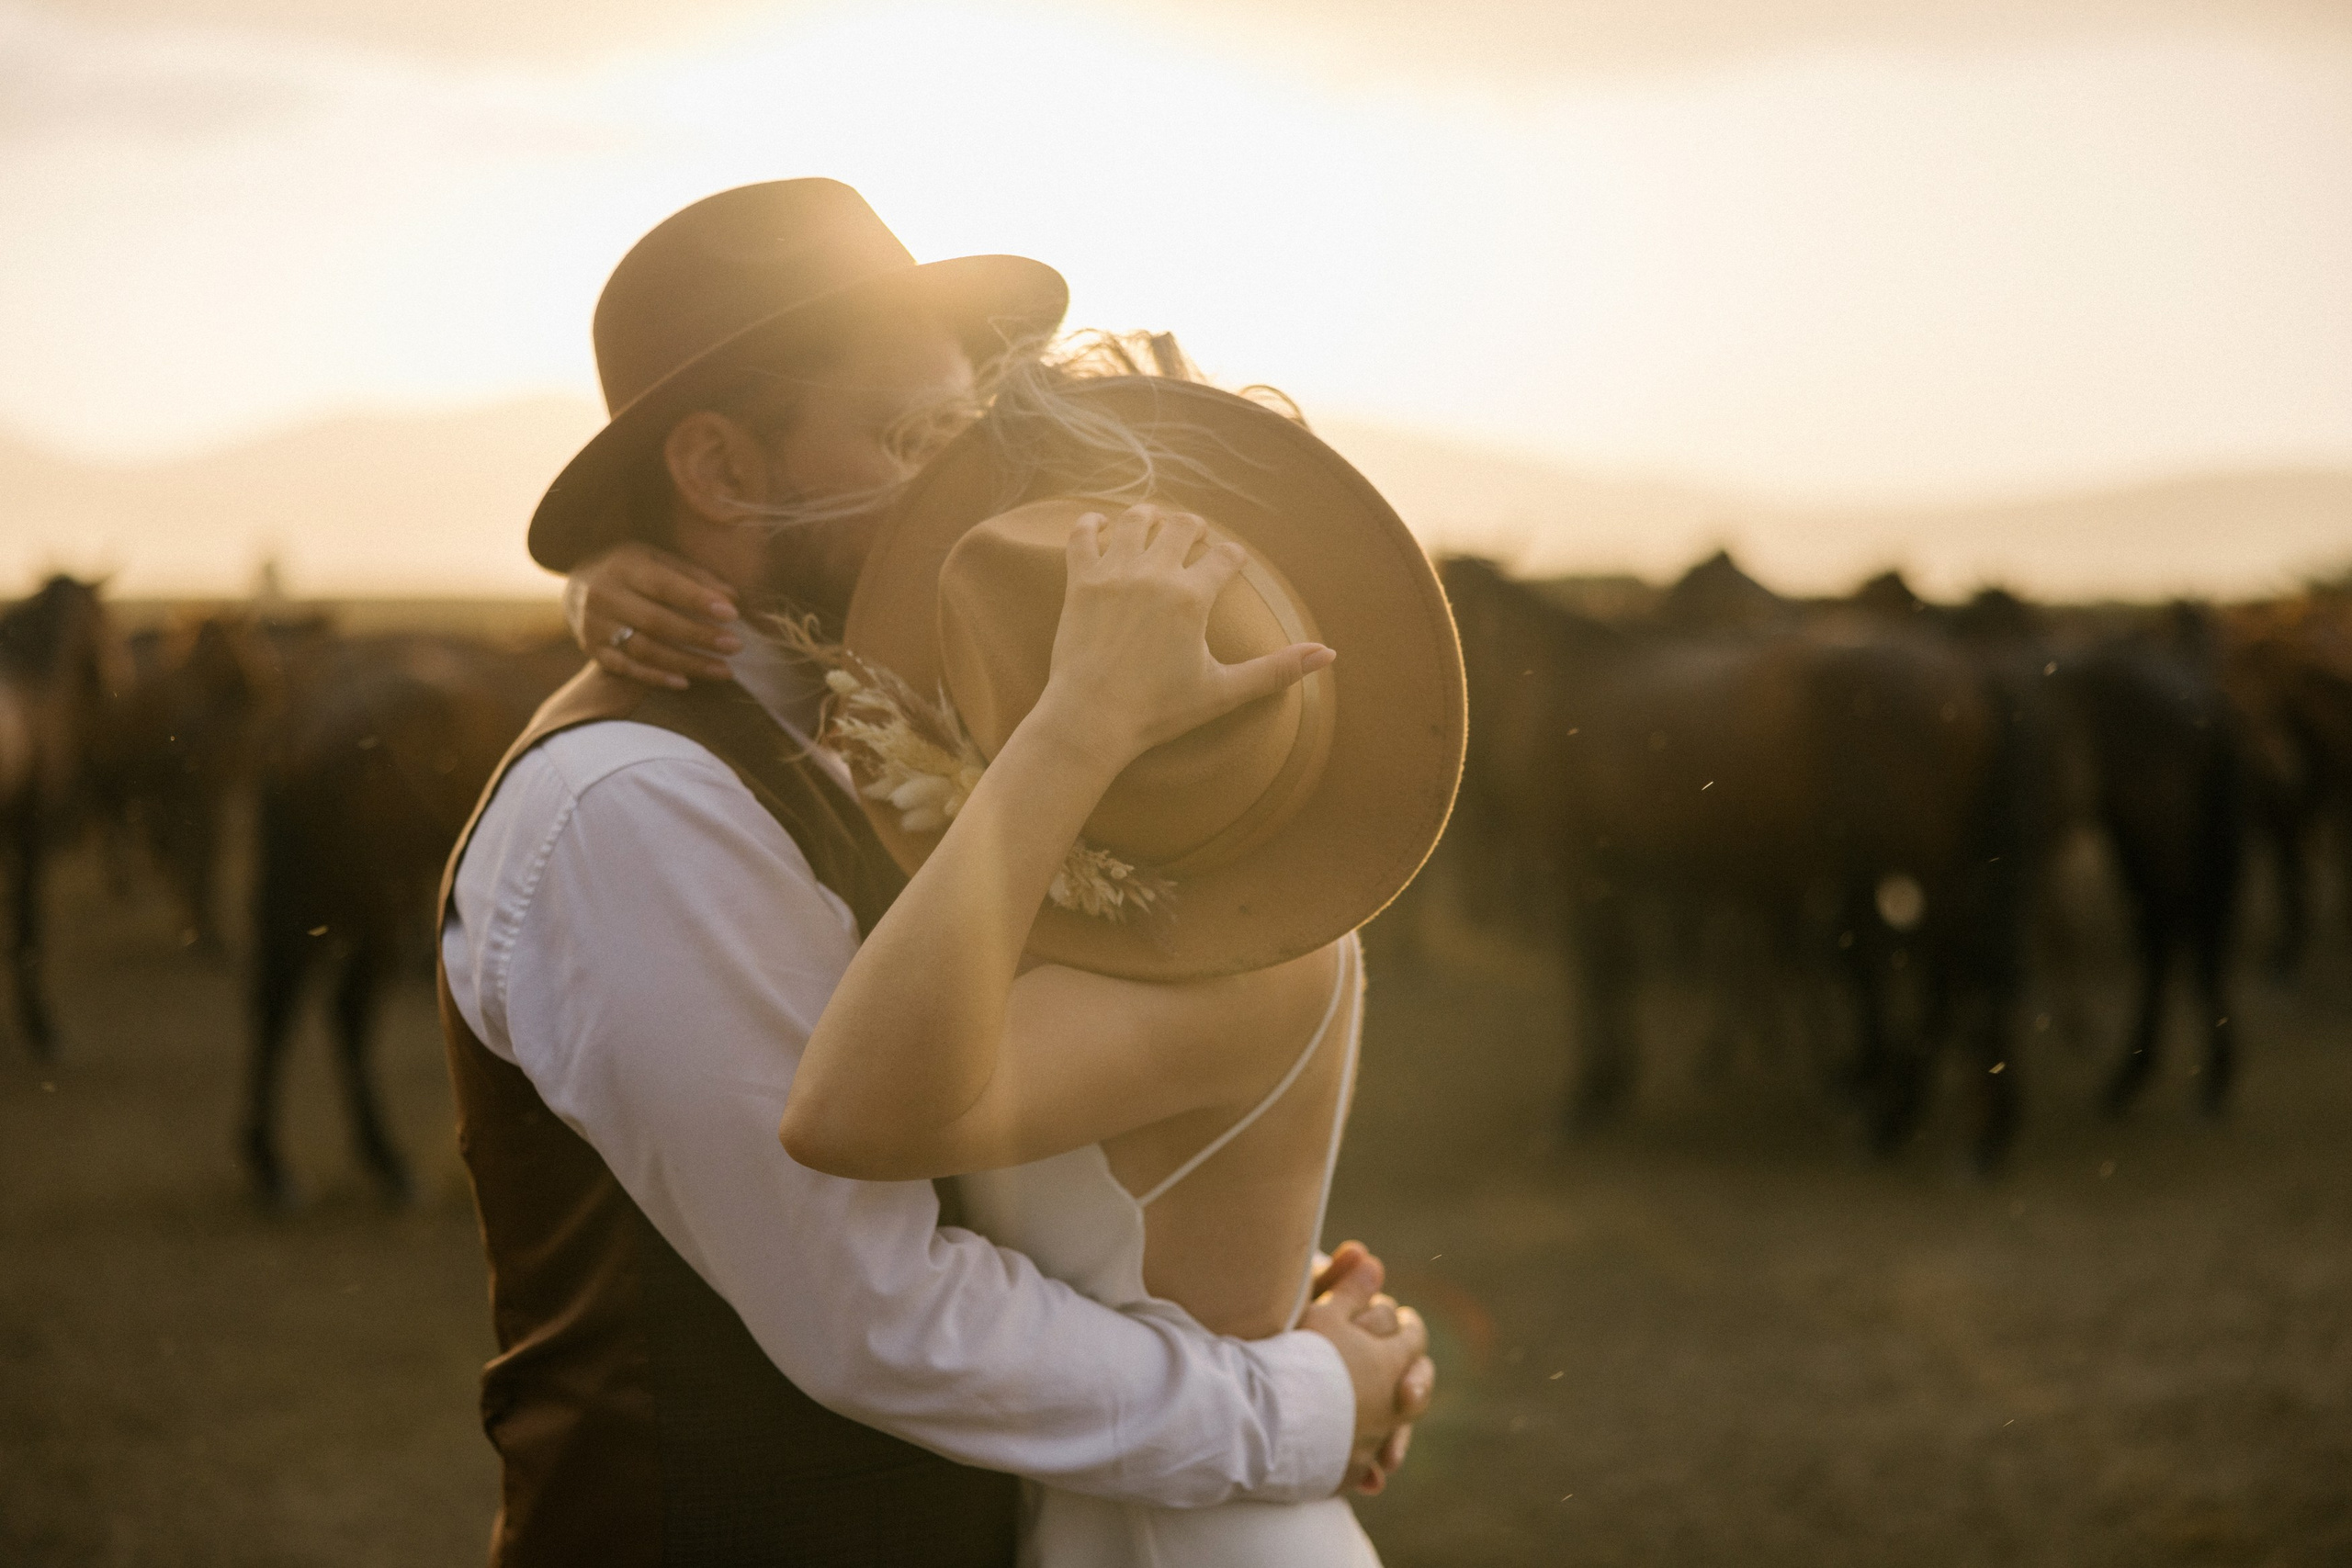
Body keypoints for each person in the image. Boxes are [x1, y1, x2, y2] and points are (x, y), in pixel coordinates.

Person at [437, 178, 1431, 1567]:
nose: (967, 487)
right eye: (913, 438)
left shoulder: (937, 739)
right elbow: (874, 1315)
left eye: (969, 430)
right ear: (718, 471)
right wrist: (1299, 1404)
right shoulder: (635, 804)